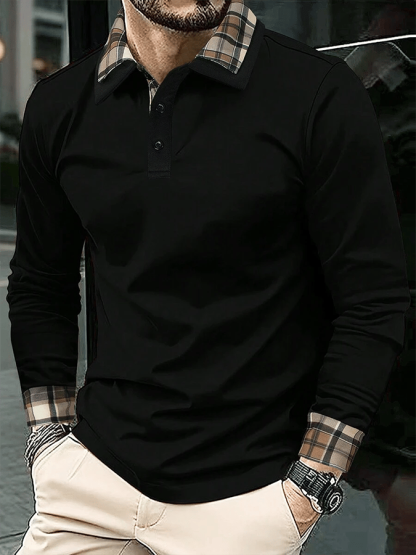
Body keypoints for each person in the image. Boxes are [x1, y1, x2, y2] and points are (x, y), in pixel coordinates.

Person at [6, 1, 411, 554]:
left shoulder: (318, 93)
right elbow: (40, 284)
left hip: (246, 503)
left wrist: (311, 482)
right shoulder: (60, 104)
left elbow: (373, 300)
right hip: (90, 484)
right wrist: (48, 442)